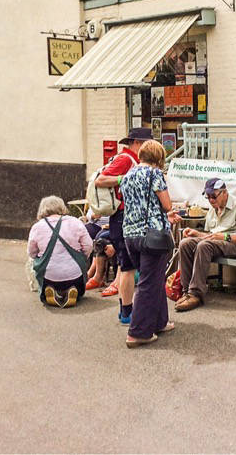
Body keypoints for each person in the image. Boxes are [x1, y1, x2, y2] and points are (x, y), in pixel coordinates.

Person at [118, 140, 177, 347]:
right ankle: (138, 332)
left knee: (153, 278)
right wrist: (171, 211)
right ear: (158, 158)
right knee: (148, 284)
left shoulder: (127, 177)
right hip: (152, 235)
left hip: (130, 235)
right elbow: (166, 204)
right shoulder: (155, 174)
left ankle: (160, 322)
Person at [92, 127, 153, 325]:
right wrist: (123, 179)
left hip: (123, 217)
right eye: (146, 142)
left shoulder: (131, 159)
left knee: (126, 265)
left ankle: (124, 309)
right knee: (127, 266)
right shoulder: (126, 159)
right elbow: (101, 180)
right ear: (136, 143)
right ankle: (127, 312)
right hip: (122, 217)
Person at [175, 177, 236, 312]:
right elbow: (211, 235)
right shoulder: (213, 209)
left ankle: (196, 294)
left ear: (224, 192)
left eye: (213, 196)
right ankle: (186, 291)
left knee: (204, 245)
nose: (211, 200)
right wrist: (196, 234)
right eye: (208, 197)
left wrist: (225, 236)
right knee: (185, 243)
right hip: (215, 243)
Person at [27, 196, 92, 308]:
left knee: (39, 266)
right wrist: (82, 258)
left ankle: (50, 289)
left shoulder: (37, 227)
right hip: (74, 274)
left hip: (49, 276)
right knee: (77, 278)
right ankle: (74, 290)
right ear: (62, 207)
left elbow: (31, 252)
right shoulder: (75, 222)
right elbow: (88, 246)